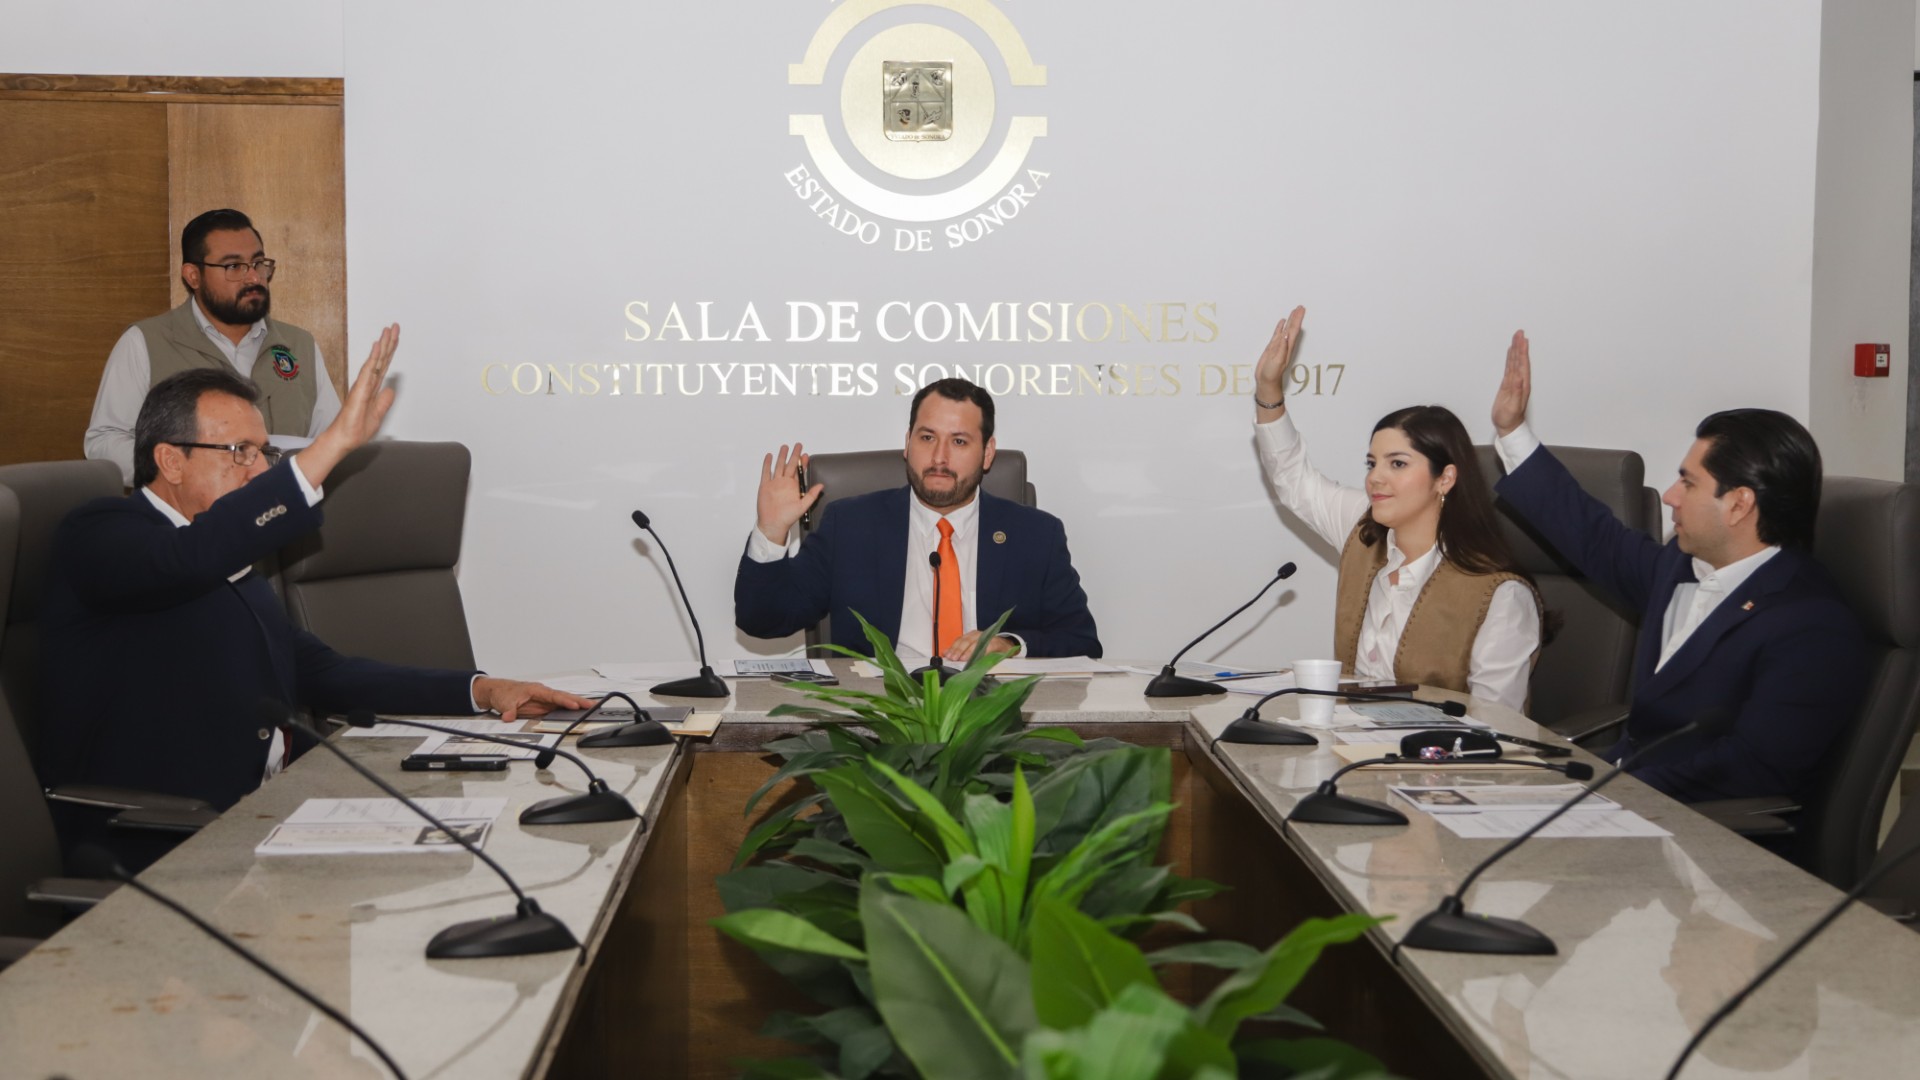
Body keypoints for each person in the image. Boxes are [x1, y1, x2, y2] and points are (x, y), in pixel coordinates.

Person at [39, 327, 591, 813]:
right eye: (239, 451)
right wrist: (331, 446)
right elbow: (189, 558)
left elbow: (327, 673)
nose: (258, 470)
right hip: (167, 832)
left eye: (263, 452)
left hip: (278, 806)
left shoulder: (228, 559)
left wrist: (484, 690)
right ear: (170, 461)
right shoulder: (101, 534)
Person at [1489, 330, 1867, 801]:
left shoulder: (1809, 624)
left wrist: (1605, 795)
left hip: (1701, 829)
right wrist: (1512, 432)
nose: (1669, 496)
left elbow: (1753, 771)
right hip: (1622, 794)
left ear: (1739, 504)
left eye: (1688, 483)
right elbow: (1592, 536)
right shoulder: (1680, 567)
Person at [1252, 306, 1544, 711]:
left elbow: (1496, 723)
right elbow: (1293, 480)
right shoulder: (1363, 531)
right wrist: (1268, 389)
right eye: (1372, 463)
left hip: (1440, 751)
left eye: (1398, 464)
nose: (1376, 478)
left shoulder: (1500, 595)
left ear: (1445, 478)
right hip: (1351, 738)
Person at [734, 378, 1101, 659]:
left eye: (959, 442)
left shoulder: (1036, 535)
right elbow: (763, 621)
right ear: (908, 443)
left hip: (989, 720)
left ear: (987, 453)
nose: (939, 457)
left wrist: (1009, 645)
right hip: (881, 718)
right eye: (927, 438)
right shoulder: (850, 525)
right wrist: (772, 531)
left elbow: (1082, 642)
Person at [85, 208, 342, 485]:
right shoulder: (145, 342)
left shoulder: (298, 345)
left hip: (283, 509)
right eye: (234, 267)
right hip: (188, 512)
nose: (253, 278)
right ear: (193, 276)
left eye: (258, 263)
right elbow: (104, 443)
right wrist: (187, 473)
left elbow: (331, 441)